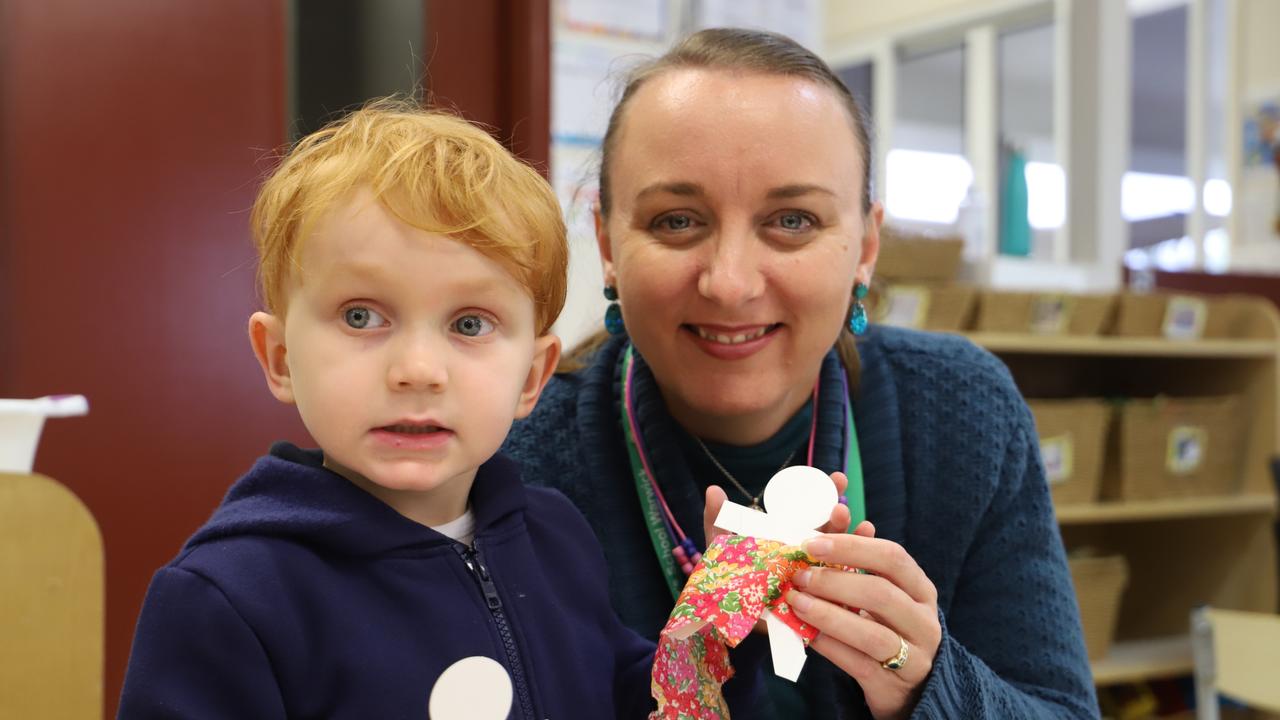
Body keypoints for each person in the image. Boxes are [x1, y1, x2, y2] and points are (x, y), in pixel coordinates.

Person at [503, 28, 1097, 719]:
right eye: (676, 221)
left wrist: (926, 683)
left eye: (791, 220)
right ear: (607, 244)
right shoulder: (515, 449)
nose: (730, 284)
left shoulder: (963, 411)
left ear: (866, 247)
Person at [117, 100, 757, 718]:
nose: (418, 371)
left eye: (470, 324)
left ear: (531, 376)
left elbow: (644, 704)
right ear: (280, 357)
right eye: (362, 316)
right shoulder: (226, 598)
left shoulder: (557, 537)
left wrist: (715, 615)